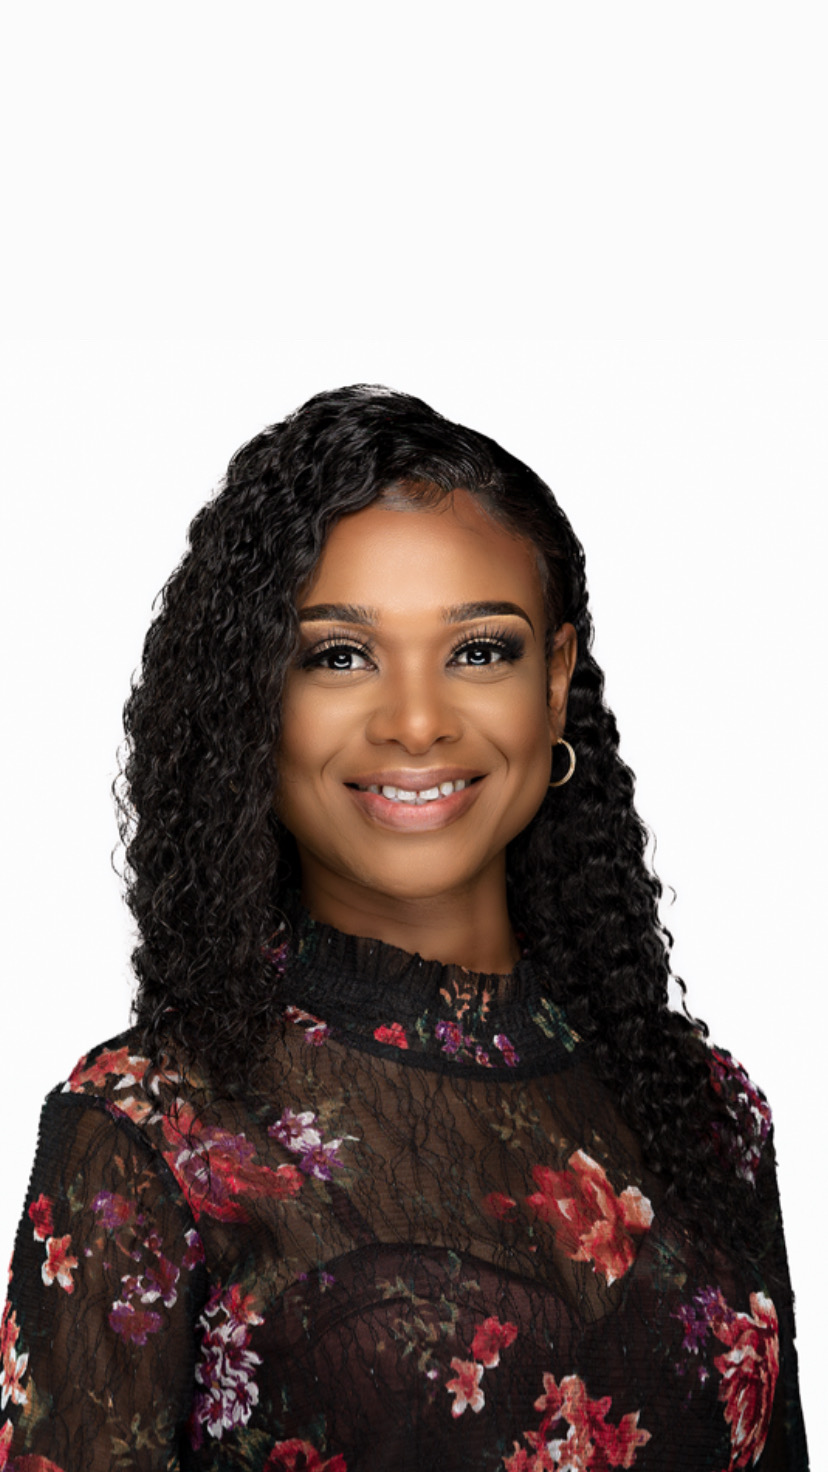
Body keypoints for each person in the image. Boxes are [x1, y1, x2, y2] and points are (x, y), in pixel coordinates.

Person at [0, 385, 808, 1471]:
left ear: (555, 682)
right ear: (254, 702)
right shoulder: (151, 1133)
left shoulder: (708, 1115)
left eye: (479, 650)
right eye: (340, 655)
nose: (418, 722)